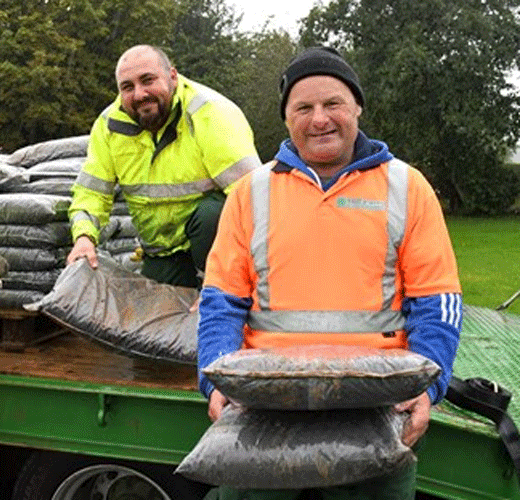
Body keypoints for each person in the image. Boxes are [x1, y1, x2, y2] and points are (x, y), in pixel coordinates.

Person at [197, 47, 463, 499]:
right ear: (287, 119)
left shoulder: (406, 186)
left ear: (357, 106)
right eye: (304, 107)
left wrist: (429, 388)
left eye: (333, 103)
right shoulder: (250, 193)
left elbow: (437, 303)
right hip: (264, 408)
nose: (319, 119)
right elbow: (221, 302)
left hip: (376, 410)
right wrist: (213, 381)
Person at [65, 45, 262, 288]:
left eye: (148, 80)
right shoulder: (109, 126)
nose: (139, 94)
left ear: (172, 76)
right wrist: (84, 238)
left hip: (218, 248)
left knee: (212, 215)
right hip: (163, 251)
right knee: (156, 315)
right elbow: (91, 193)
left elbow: (253, 195)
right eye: (127, 87)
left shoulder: (211, 114)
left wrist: (217, 287)